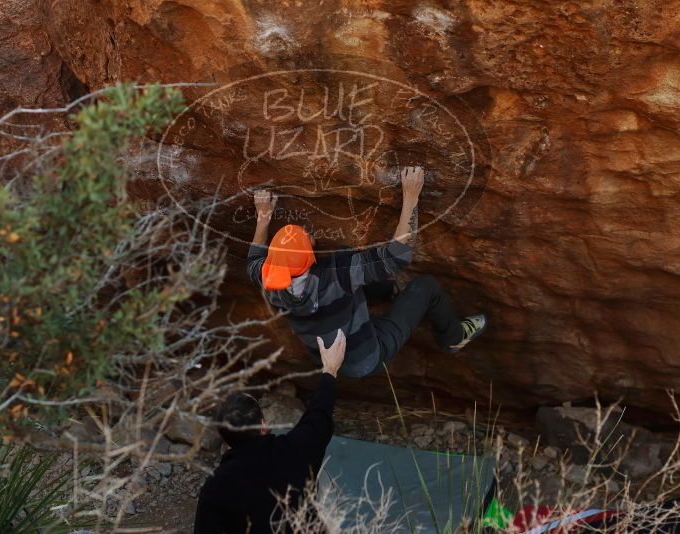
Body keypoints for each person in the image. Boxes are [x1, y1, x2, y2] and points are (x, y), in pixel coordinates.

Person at [247, 165, 486, 378]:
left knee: (356, 269)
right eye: (307, 238)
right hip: (366, 356)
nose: (308, 232)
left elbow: (253, 261)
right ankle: (454, 338)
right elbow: (397, 256)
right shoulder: (337, 274)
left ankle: (390, 291)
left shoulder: (270, 281)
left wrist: (263, 218)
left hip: (328, 353)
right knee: (426, 286)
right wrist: (411, 197)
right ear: (308, 261)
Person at [193, 328, 346, 534]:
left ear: (226, 438)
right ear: (263, 424)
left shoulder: (214, 489)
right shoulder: (295, 451)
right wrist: (330, 369)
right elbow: (318, 415)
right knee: (325, 483)